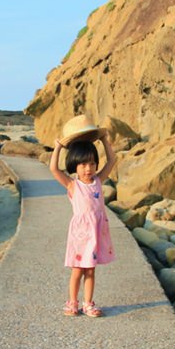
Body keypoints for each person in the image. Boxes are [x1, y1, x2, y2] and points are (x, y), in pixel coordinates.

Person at [49, 119, 117, 317]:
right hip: (80, 234)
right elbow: (54, 169)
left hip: (96, 231)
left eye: (92, 163)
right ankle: (72, 302)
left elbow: (112, 161)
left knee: (91, 270)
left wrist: (104, 139)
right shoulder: (73, 185)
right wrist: (58, 147)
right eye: (83, 164)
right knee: (77, 269)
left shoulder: (98, 180)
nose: (88, 168)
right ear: (75, 166)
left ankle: (88, 303)